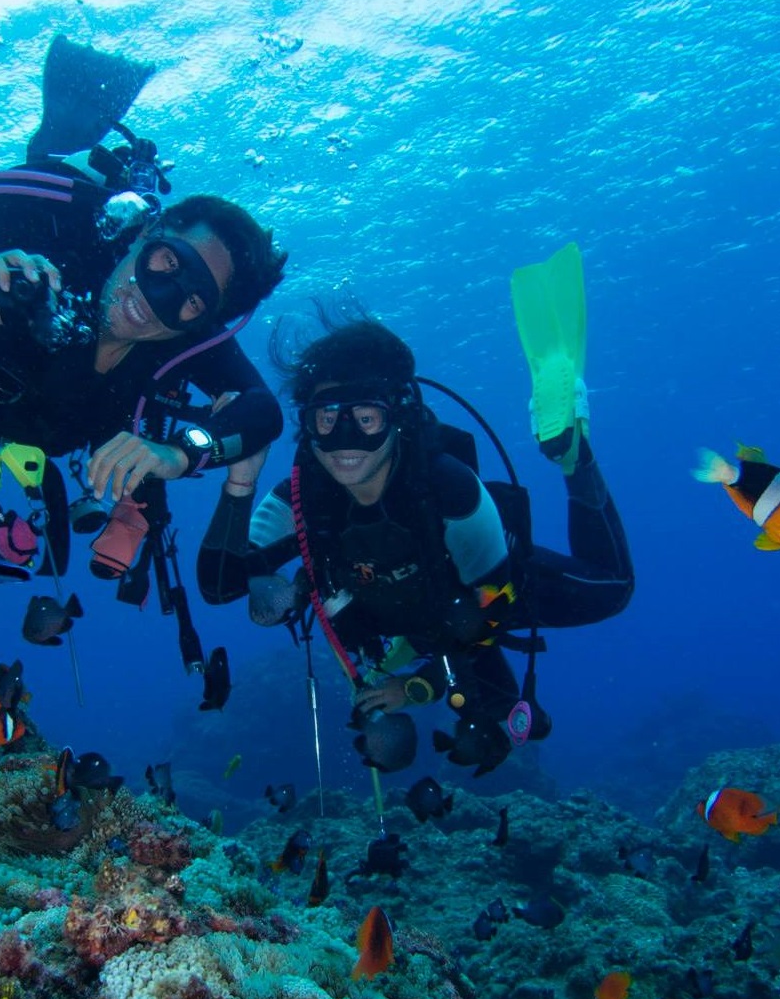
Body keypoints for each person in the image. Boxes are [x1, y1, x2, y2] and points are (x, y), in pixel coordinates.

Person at [0, 36, 288, 584]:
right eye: (168, 262)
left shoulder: (187, 337)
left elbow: (264, 411)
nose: (154, 303)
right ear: (147, 231)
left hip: (64, 438)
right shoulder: (43, 263)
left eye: (192, 299)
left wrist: (180, 453)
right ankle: (66, 122)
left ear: (206, 318)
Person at [198, 271, 632, 774]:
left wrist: (418, 686)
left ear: (397, 416)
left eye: (365, 418)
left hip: (475, 600)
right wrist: (240, 484)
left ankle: (571, 452)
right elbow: (219, 587)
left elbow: (494, 606)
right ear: (306, 421)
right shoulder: (301, 497)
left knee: (614, 591)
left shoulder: (449, 488)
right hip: (413, 623)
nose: (344, 441)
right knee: (496, 715)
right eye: (325, 417)